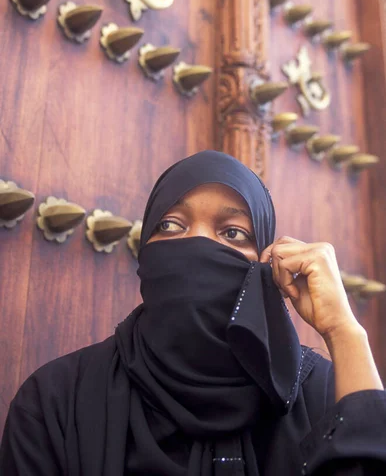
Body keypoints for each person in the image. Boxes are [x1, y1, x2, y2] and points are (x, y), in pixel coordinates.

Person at [0, 150, 385, 475]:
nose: (198, 243)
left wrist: (345, 331)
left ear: (264, 263)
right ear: (145, 251)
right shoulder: (58, 400)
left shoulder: (318, 394)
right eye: (170, 225)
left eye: (232, 232)